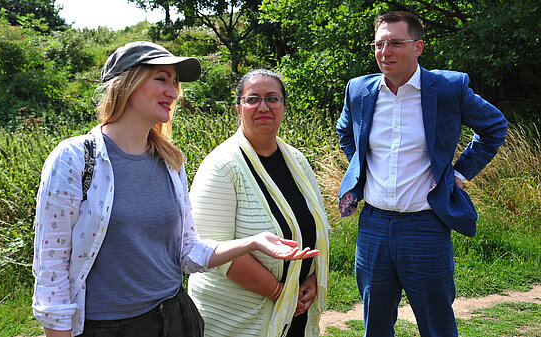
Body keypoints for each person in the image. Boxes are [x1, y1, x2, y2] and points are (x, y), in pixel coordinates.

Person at [31, 42, 319, 337]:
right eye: (161, 79)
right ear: (125, 83)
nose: (173, 92)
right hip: (107, 327)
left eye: (175, 82)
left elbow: (186, 251)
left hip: (175, 318)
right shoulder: (75, 158)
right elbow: (51, 268)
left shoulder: (170, 161)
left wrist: (253, 242)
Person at [336, 11, 508, 337]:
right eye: (379, 44)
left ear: (418, 47)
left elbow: (494, 127)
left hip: (425, 226)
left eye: (396, 43)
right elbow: (346, 132)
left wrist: (459, 174)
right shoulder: (359, 90)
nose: (385, 52)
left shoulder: (447, 89)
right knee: (375, 326)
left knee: (437, 326)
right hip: (373, 226)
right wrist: (361, 166)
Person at [187, 69, 330, 337]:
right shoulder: (222, 166)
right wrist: (280, 291)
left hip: (295, 306)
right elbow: (212, 249)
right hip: (239, 317)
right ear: (238, 108)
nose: (263, 106)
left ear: (283, 108)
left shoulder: (297, 161)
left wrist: (309, 277)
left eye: (272, 98)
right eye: (253, 99)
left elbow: (314, 224)